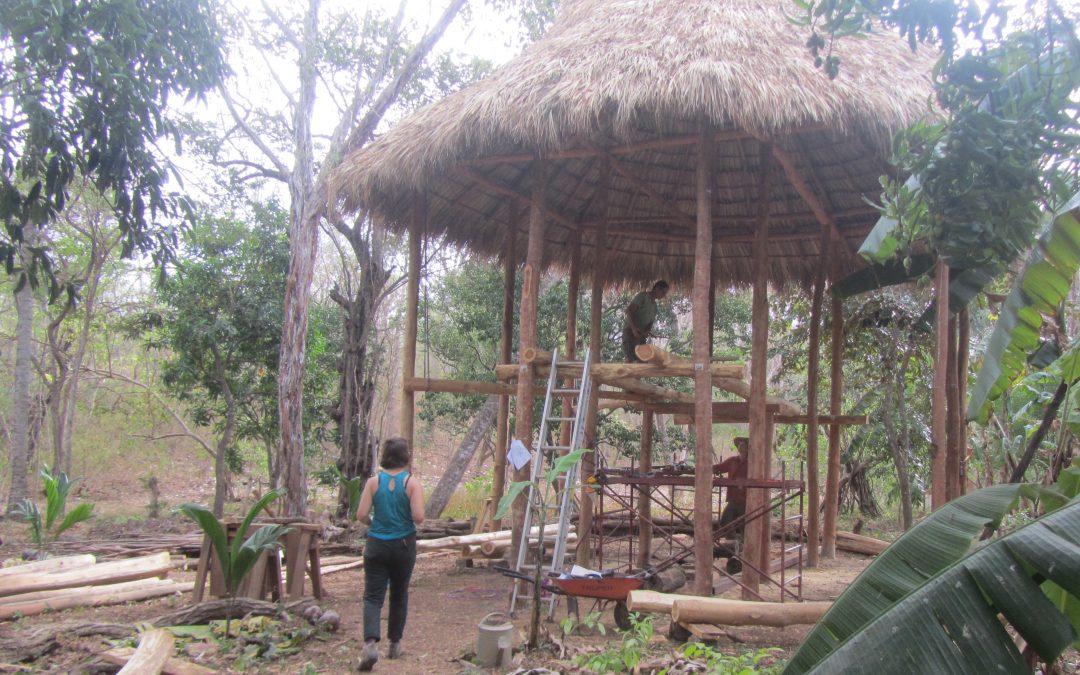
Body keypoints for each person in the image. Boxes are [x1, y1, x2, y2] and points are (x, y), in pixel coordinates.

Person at [356, 438, 425, 671]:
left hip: (377, 544)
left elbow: (361, 514)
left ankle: (370, 644)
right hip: (403, 545)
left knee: (373, 596)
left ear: (386, 456)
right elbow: (419, 517)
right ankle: (395, 644)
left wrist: (374, 521)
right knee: (399, 593)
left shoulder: (374, 482)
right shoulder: (411, 483)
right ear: (406, 457)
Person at [622, 280, 669, 362]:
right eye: (663, 292)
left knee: (642, 359)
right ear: (657, 288)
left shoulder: (654, 306)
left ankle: (638, 375)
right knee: (630, 358)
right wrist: (634, 328)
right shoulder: (643, 297)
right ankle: (626, 374)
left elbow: (650, 322)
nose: (664, 295)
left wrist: (647, 331)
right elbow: (629, 311)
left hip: (641, 335)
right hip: (630, 331)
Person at [714, 437, 748, 533]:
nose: (741, 446)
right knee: (726, 520)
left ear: (748, 448)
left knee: (745, 522)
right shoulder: (732, 461)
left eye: (743, 444)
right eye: (739, 444)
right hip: (733, 497)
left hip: (745, 498)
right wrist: (705, 468)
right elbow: (719, 467)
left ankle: (743, 540)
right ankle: (731, 539)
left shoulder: (752, 462)